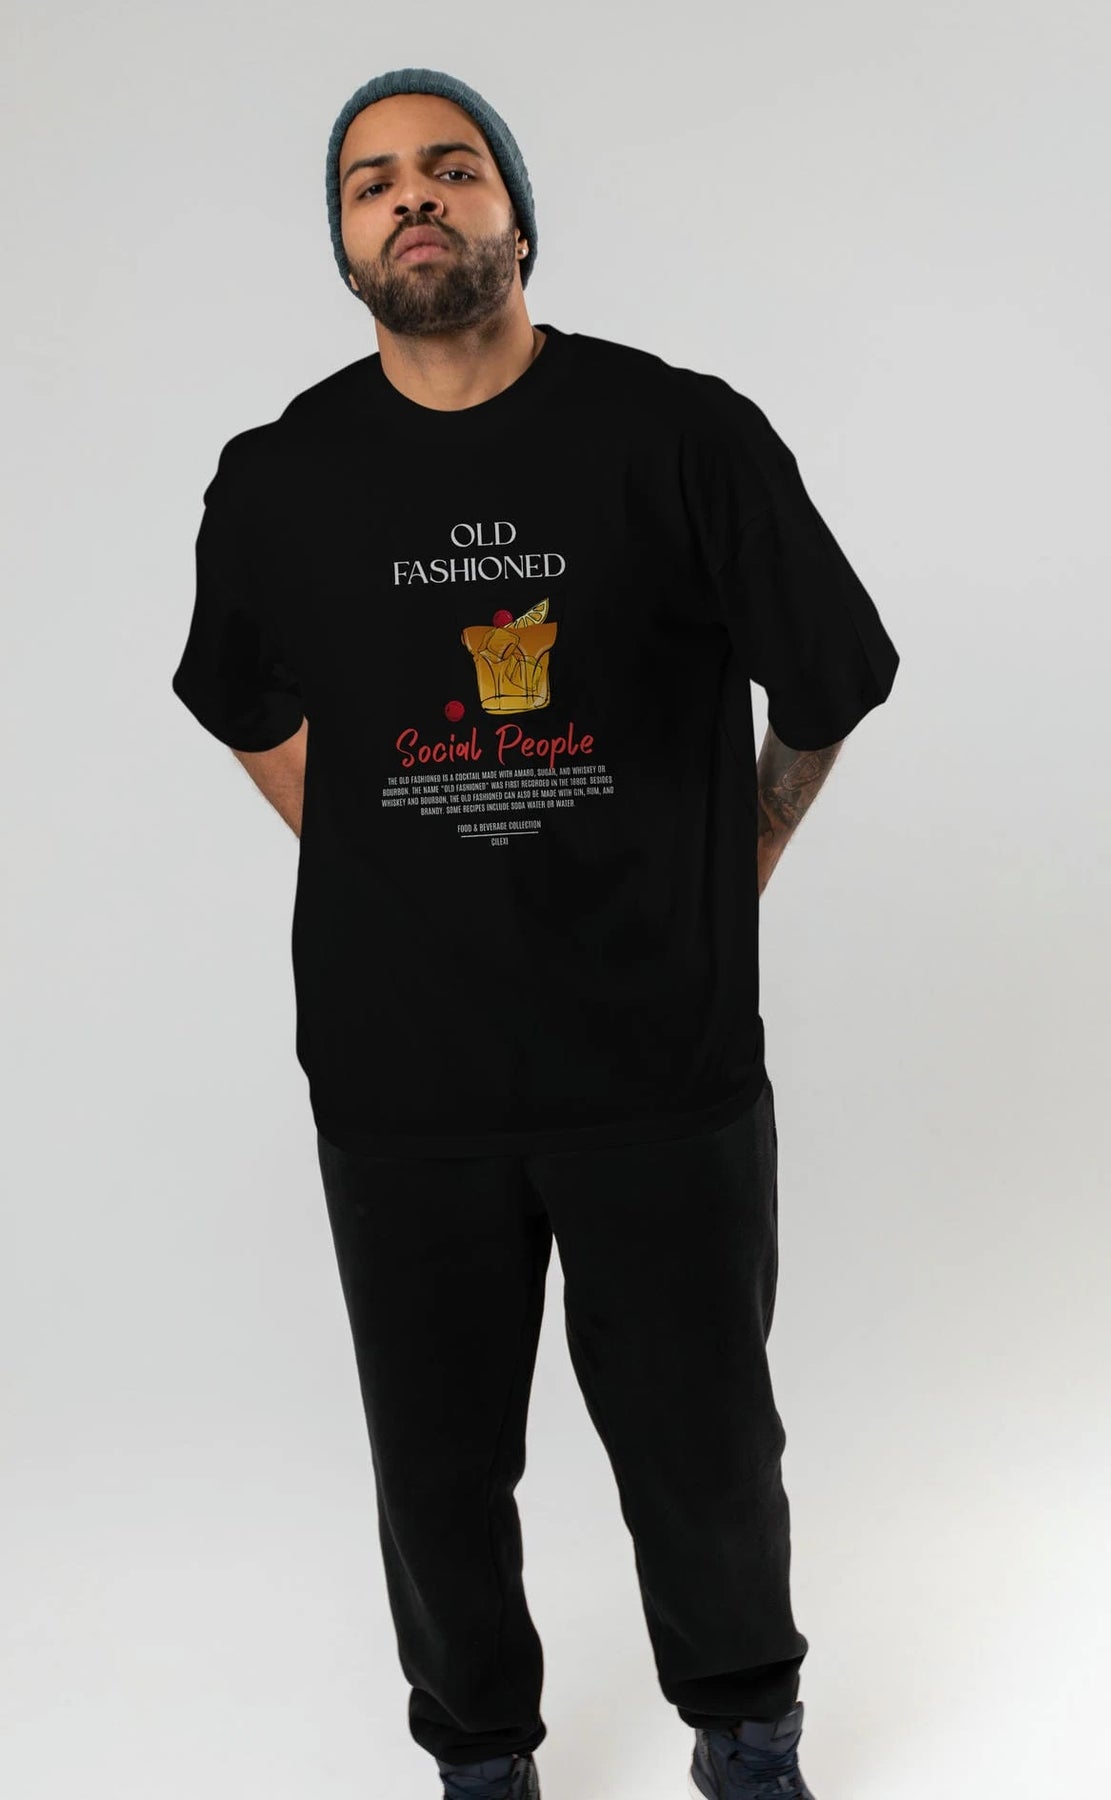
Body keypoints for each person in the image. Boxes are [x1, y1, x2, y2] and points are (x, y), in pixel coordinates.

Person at [170, 65, 899, 1800]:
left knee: (704, 1443)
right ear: (345, 243)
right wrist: (379, 853)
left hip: (659, 1056)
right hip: (403, 1072)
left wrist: (743, 855)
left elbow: (830, 675)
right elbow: (241, 699)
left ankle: (747, 1731)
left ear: (516, 214)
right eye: (372, 183)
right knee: (435, 1466)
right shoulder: (280, 477)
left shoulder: (680, 435)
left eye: (452, 167)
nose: (413, 197)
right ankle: (481, 1758)